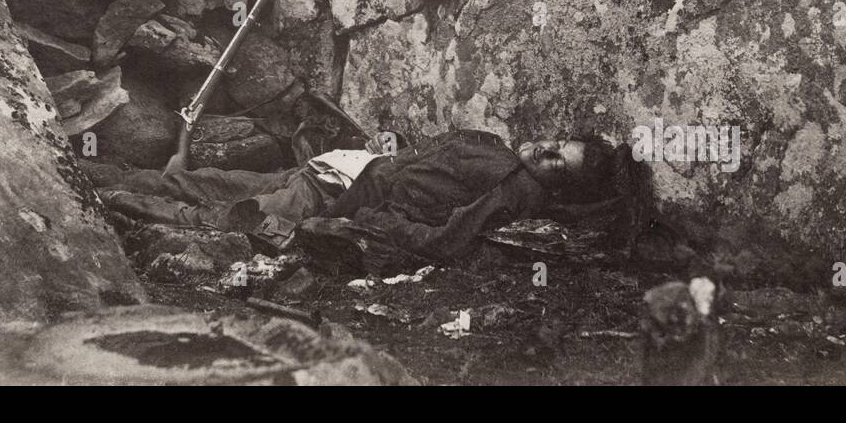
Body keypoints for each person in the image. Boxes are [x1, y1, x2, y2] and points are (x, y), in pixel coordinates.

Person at [99, 128, 650, 271]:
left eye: (558, 162)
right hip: (334, 170)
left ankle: (91, 198)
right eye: (557, 143)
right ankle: (80, 173)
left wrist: (376, 217)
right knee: (203, 182)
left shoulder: (514, 189)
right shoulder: (500, 153)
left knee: (208, 214)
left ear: (559, 186)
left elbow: (445, 243)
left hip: (333, 195)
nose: (546, 150)